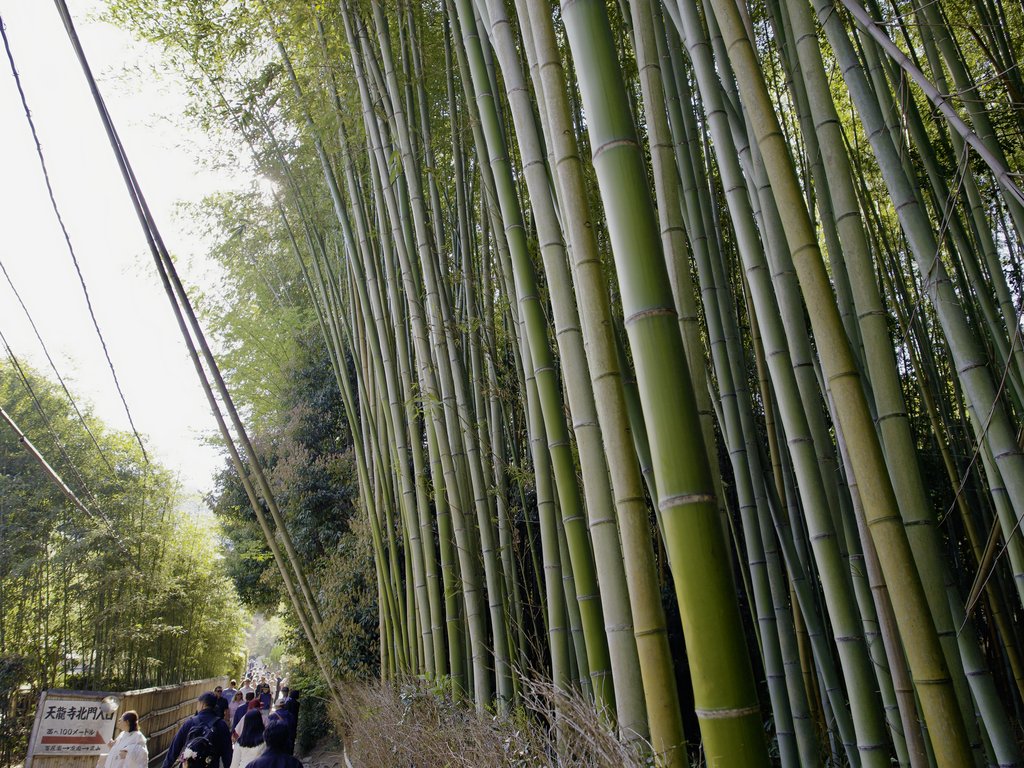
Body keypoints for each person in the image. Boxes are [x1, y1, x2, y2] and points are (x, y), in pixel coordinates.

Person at [162, 692, 232, 768]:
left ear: (202, 705)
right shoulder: (221, 725)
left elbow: (174, 748)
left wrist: (166, 766)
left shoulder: (189, 723)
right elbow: (227, 753)